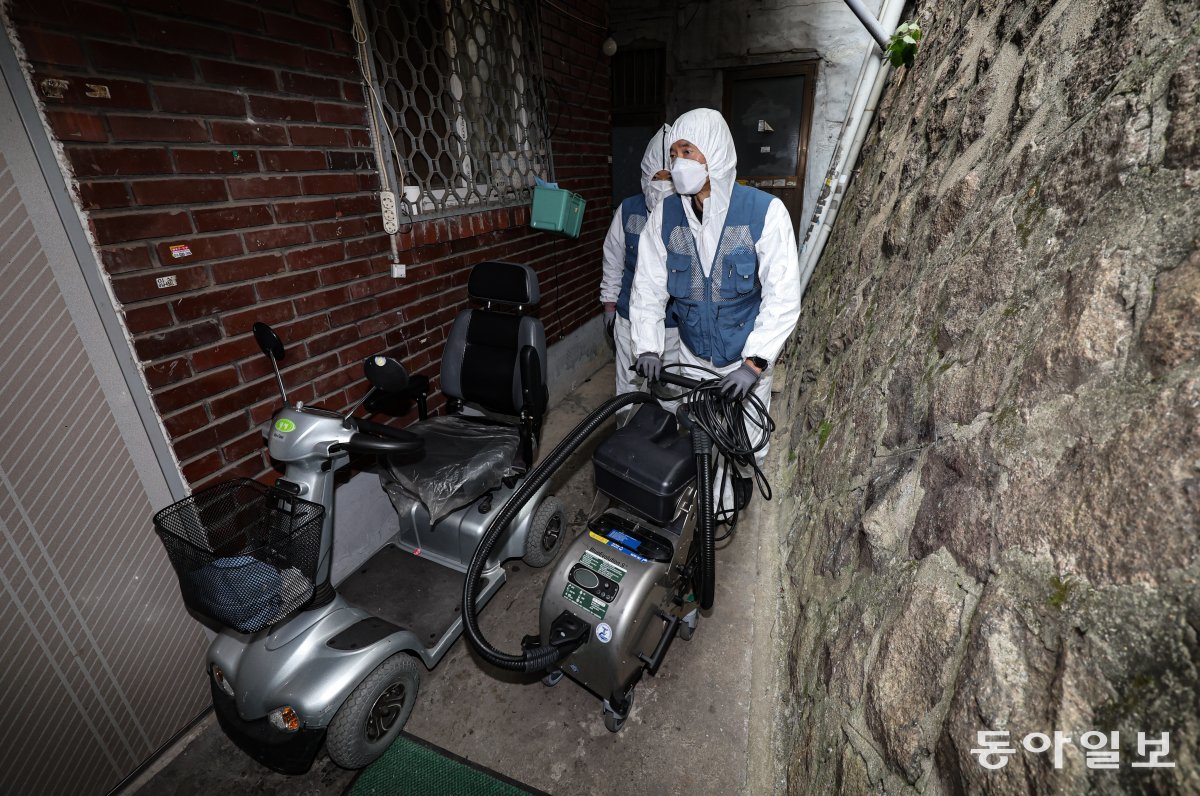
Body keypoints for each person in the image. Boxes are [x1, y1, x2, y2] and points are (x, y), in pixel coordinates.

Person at [629, 108, 801, 506]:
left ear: (715, 154)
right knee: (700, 433)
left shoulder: (764, 213)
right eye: (673, 154)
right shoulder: (664, 216)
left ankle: (742, 478)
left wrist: (754, 363)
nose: (678, 163)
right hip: (693, 353)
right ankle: (712, 501)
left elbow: (783, 295)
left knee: (747, 440)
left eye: (688, 151)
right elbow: (648, 287)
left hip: (742, 358)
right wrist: (649, 347)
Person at [599, 124, 681, 412]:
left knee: (671, 390)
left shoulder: (691, 214)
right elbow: (613, 259)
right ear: (645, 176)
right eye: (656, 176)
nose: (662, 183)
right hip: (629, 318)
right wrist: (610, 305)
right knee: (628, 388)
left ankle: (665, 443)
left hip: (674, 324)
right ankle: (626, 437)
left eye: (669, 177)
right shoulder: (628, 210)